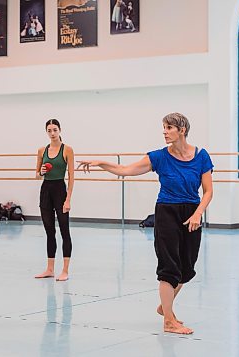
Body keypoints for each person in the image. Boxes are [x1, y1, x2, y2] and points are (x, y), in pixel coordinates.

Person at [78, 112, 214, 335]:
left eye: (169, 127)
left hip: (192, 211)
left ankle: (165, 306)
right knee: (169, 267)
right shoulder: (159, 157)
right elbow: (126, 170)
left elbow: (208, 191)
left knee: (187, 268)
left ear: (182, 130)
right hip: (167, 212)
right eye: (164, 127)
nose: (164, 131)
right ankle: (169, 321)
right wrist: (102, 162)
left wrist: (198, 213)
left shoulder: (201, 156)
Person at [35, 119, 75, 282]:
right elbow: (36, 175)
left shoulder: (67, 150)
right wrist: (42, 171)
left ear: (60, 130)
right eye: (49, 130)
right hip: (46, 191)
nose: (52, 133)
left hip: (60, 190)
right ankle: (50, 269)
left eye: (55, 130)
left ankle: (65, 270)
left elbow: (72, 176)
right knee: (49, 231)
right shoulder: (41, 150)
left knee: (64, 230)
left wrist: (68, 199)